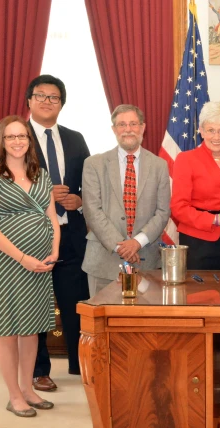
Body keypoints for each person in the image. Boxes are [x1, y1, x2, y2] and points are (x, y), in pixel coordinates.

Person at [0, 116, 59, 417]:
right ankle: (14, 395)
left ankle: (28, 388)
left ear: (29, 140)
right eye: (10, 137)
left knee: (32, 329)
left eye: (22, 136)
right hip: (7, 264)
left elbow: (52, 217)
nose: (17, 141)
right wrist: (23, 257)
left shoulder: (41, 174)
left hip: (40, 264)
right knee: (9, 330)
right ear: (2, 141)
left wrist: (53, 251)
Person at [26, 74, 91, 388]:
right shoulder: (15, 136)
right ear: (29, 101)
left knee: (75, 303)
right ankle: (39, 370)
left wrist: (79, 199)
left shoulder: (75, 138)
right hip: (33, 236)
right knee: (36, 306)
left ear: (61, 104)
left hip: (70, 234)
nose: (47, 101)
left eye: (53, 97)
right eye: (40, 95)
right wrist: (43, 195)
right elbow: (4, 187)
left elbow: (89, 184)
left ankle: (82, 366)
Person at [81, 105, 171, 297]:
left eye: (133, 124)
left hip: (147, 261)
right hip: (104, 261)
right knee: (102, 324)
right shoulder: (93, 164)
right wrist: (121, 246)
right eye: (122, 124)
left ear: (143, 127)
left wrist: (137, 242)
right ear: (114, 129)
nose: (128, 129)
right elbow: (92, 210)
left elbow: (163, 212)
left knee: (145, 325)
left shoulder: (159, 165)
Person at [170, 101, 220, 270]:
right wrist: (215, 219)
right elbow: (178, 207)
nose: (216, 136)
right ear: (201, 130)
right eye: (211, 130)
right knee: (198, 296)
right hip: (197, 242)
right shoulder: (186, 160)